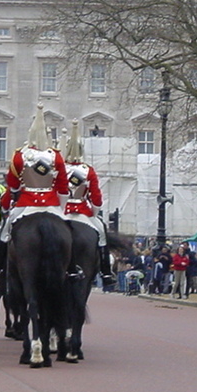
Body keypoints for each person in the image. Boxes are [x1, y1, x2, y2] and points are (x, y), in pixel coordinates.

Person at [0, 103, 68, 279]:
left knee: (5, 231)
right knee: (69, 231)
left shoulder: (19, 156)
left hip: (26, 204)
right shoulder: (55, 156)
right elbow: (63, 187)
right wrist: (60, 208)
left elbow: (14, 184)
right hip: (52, 205)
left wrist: (18, 193)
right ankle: (71, 268)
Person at [61, 119, 117, 287]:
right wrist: (93, 212)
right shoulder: (88, 170)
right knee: (101, 233)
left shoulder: (60, 168)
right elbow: (96, 196)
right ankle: (106, 271)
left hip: (61, 211)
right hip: (82, 210)